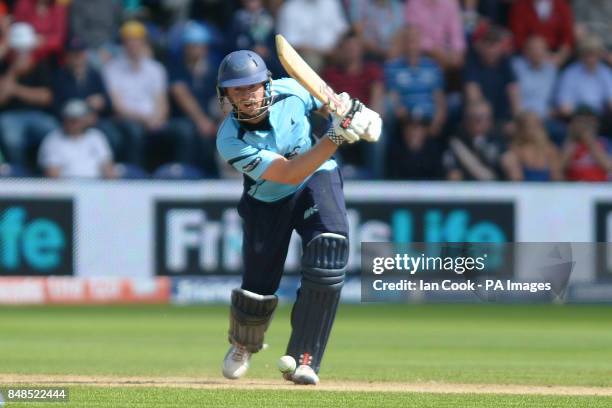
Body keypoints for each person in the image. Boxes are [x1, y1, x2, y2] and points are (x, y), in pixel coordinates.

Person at [215, 50, 381, 385]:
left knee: (329, 251)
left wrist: (345, 109)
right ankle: (244, 344)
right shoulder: (230, 140)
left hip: (318, 178)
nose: (247, 96)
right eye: (237, 90)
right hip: (268, 200)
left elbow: (324, 103)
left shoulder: (291, 89)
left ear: (266, 84)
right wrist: (336, 135)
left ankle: (305, 358)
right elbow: (289, 173)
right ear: (226, 96)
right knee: (258, 289)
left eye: (253, 87)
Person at [103, 20, 194, 168]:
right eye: (129, 41)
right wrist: (144, 119)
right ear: (123, 44)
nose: (133, 45)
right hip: (128, 119)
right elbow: (118, 106)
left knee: (184, 129)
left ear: (144, 42)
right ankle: (137, 176)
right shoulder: (112, 68)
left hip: (154, 119)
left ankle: (181, 172)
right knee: (135, 131)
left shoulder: (156, 68)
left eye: (136, 41)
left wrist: (158, 119)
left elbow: (162, 102)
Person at [0, 22, 57, 168]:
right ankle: (19, 173)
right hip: (10, 115)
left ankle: (45, 169)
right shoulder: (4, 67)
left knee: (54, 131)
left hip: (37, 114)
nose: (22, 53)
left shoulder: (41, 66)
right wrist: (13, 71)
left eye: (25, 49)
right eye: (19, 49)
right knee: (11, 136)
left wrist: (16, 89)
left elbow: (46, 97)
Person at [168, 22, 219, 176]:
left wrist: (222, 119)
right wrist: (201, 121)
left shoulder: (213, 70)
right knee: (188, 131)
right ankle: (186, 173)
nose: (195, 50)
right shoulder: (177, 69)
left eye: (198, 46)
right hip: (182, 118)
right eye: (191, 46)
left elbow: (223, 97)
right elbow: (180, 93)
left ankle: (215, 175)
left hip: (210, 118)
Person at [384, 26, 446, 136]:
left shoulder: (433, 66)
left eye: (414, 41)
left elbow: (439, 100)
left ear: (420, 42)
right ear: (402, 44)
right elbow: (393, 99)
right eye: (407, 40)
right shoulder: (392, 68)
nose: (411, 45)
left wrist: (435, 123)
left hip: (429, 119)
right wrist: (408, 123)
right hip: (405, 122)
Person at [443, 100, 521, 181]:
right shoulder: (456, 145)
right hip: (469, 191)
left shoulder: (497, 141)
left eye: (488, 118)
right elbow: (453, 177)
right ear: (466, 120)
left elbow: (514, 173)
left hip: (497, 190)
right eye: (478, 119)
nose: (484, 123)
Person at [38, 99, 115, 178]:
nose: (75, 123)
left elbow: (107, 167)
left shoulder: (96, 136)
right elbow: (52, 175)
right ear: (64, 119)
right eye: (71, 119)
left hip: (97, 186)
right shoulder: (52, 140)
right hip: (66, 187)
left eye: (78, 119)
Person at [464, 24, 520, 123]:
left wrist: (517, 121)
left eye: (495, 44)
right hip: (481, 118)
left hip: (503, 117)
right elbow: (473, 94)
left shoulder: (505, 62)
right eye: (488, 43)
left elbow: (513, 91)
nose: (492, 49)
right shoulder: (472, 62)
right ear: (479, 46)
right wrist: (487, 123)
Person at [556, 35, 612, 119]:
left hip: (600, 118)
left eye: (594, 55)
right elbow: (564, 106)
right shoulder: (570, 73)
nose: (590, 59)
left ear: (599, 55)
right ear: (581, 55)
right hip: (576, 116)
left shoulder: (605, 73)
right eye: (587, 55)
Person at [509, 0, 574, 66]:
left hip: (555, 53)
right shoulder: (520, 6)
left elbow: (567, 37)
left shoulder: (561, 6)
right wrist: (536, 51)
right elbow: (519, 37)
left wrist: (560, 57)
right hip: (528, 55)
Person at [404, 0, 466, 69]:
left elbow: (456, 33)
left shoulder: (450, 3)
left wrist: (457, 52)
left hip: (446, 52)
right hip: (423, 51)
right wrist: (434, 49)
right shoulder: (413, 3)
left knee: (460, 59)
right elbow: (412, 34)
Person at [561, 107, 612, 182]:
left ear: (595, 123)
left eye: (587, 122)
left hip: (599, 187)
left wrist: (589, 141)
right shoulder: (569, 144)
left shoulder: (604, 142)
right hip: (573, 189)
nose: (584, 126)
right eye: (580, 122)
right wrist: (572, 139)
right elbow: (560, 168)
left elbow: (609, 167)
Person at [386, 114, 443, 180]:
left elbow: (437, 181)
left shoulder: (434, 150)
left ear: (426, 130)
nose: (414, 132)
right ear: (404, 130)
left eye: (419, 128)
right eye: (411, 127)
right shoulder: (395, 150)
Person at [509, 111, 562, 181]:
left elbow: (557, 178)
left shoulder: (550, 150)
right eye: (528, 126)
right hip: (524, 190)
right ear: (521, 128)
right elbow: (516, 181)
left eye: (535, 125)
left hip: (547, 190)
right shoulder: (515, 151)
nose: (532, 129)